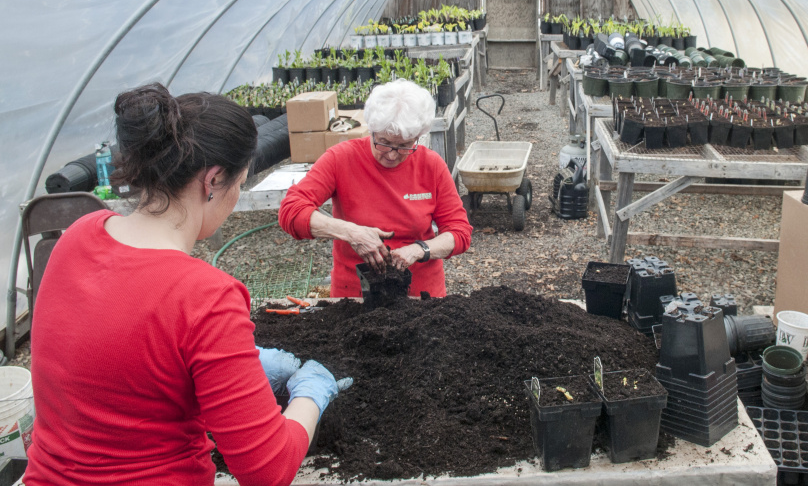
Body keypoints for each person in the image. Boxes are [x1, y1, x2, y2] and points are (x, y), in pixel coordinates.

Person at [24, 83, 349, 486]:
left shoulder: (77, 236)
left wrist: (226, 363)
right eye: (240, 183)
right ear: (212, 180)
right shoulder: (205, 297)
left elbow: (114, 353)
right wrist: (310, 395)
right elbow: (268, 470)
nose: (236, 198)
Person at [279, 79, 472, 297]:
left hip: (420, 295)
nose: (392, 154)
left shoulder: (431, 165)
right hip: (355, 295)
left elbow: (459, 232)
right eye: (383, 143)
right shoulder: (341, 158)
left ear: (418, 138)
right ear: (371, 130)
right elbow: (291, 211)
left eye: (404, 146)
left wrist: (419, 250)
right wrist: (351, 232)